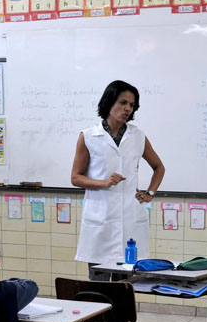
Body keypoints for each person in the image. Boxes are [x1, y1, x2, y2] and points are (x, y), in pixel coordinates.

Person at [71, 80, 166, 278]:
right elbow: (76, 178)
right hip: (100, 221)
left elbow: (159, 167)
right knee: (99, 285)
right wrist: (104, 183)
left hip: (130, 220)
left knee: (127, 285)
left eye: (131, 105)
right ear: (109, 102)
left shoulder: (138, 136)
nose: (127, 109)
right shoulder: (88, 136)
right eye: (123, 103)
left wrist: (150, 193)